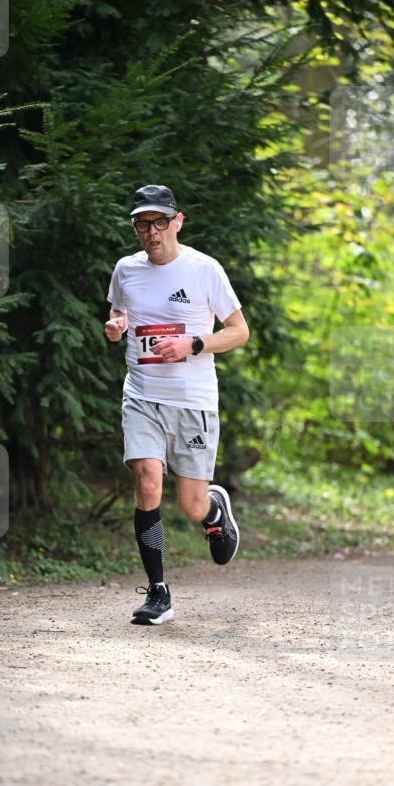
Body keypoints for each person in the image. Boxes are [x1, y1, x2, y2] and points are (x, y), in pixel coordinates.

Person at [105, 184, 250, 626]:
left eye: (159, 222)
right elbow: (122, 312)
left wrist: (194, 343)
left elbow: (239, 331)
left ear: (177, 221)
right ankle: (158, 592)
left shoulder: (204, 270)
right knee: (148, 482)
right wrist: (117, 325)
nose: (151, 232)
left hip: (192, 401)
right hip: (143, 394)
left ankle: (212, 509)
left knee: (189, 505)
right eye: (142, 224)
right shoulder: (126, 270)